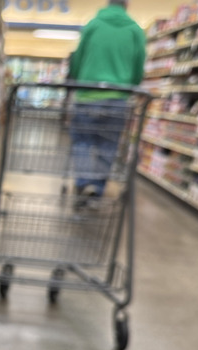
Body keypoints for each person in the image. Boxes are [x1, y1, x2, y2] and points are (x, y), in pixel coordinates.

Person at [67, 0, 145, 204]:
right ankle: (97, 188)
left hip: (87, 95)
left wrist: (76, 80)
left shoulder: (93, 25)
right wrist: (131, 86)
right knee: (108, 145)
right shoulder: (135, 31)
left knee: (82, 142)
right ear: (126, 5)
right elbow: (138, 68)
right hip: (118, 98)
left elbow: (77, 59)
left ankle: (83, 182)